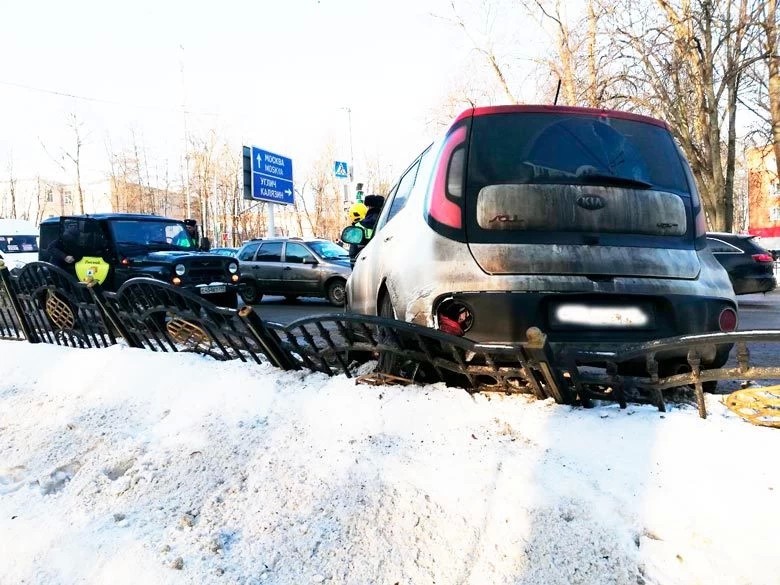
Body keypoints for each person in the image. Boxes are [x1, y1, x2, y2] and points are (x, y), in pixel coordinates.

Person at [349, 194, 385, 262]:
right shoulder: (388, 222)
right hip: (384, 261)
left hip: (364, 263)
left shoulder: (358, 226)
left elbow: (353, 253)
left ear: (367, 207)